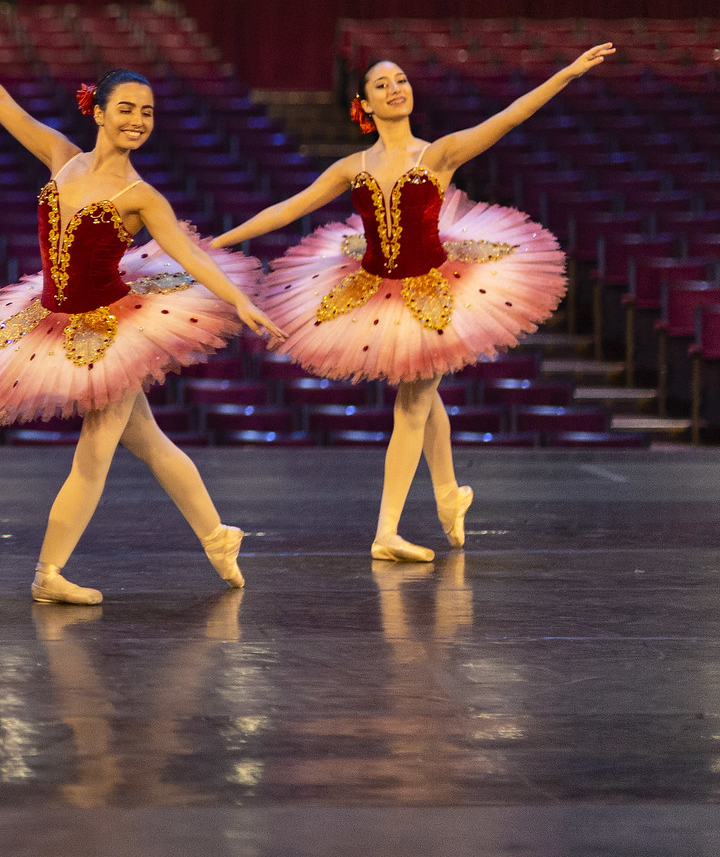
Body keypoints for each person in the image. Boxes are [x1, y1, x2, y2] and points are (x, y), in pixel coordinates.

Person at [0, 27, 282, 606]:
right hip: (53, 316)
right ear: (100, 112)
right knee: (151, 442)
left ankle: (48, 573)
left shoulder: (141, 195)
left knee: (96, 449)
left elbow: (190, 257)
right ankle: (218, 536)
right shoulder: (61, 158)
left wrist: (236, 299)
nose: (138, 120)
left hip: (109, 329)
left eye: (148, 113)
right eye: (127, 109)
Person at [214, 45, 612, 562]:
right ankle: (449, 495)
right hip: (376, 286)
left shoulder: (438, 153)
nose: (395, 88)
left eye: (400, 79)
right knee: (422, 395)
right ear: (365, 104)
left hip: (431, 287)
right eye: (382, 85)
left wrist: (566, 73)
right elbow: (286, 209)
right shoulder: (351, 167)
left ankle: (387, 532)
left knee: (413, 402)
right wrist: (215, 245)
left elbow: (511, 116)